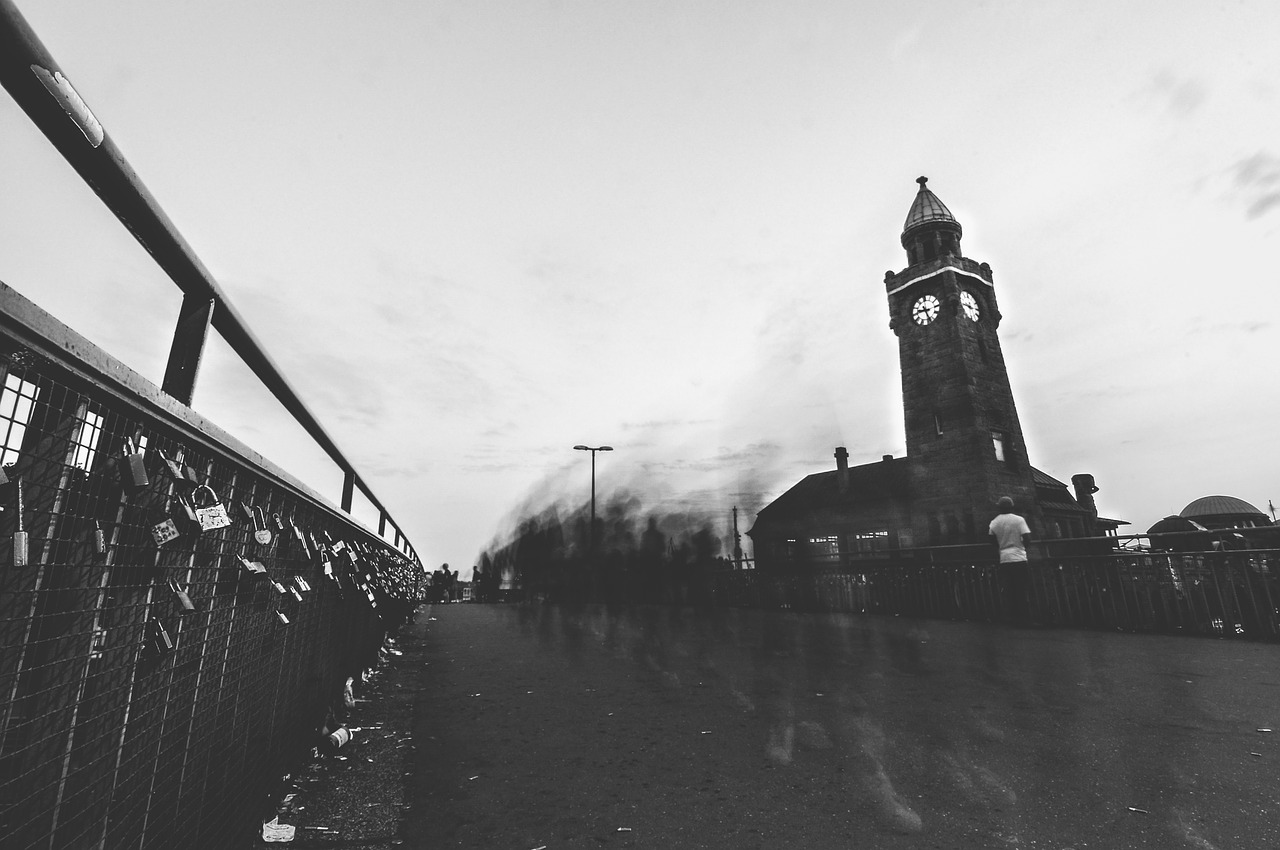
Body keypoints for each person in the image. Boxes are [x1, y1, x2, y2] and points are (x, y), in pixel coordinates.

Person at [989, 496, 1033, 624]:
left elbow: (991, 539)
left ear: (999, 507)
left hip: (1004, 558)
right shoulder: (1019, 520)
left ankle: (1012, 618)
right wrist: (1022, 547)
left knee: (1009, 589)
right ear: (1011, 506)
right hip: (1019, 557)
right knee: (1021, 589)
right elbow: (1027, 538)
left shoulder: (995, 522)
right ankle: (1025, 618)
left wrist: (1001, 546)